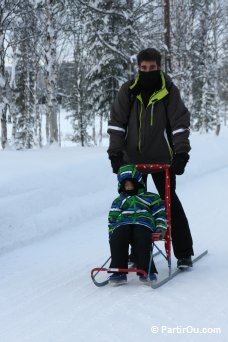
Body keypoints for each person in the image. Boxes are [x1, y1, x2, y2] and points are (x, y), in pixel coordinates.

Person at [107, 48, 194, 269]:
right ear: (138, 68)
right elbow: (117, 124)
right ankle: (136, 252)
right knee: (134, 204)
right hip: (132, 162)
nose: (148, 72)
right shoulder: (128, 90)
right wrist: (115, 154)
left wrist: (182, 153)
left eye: (152, 68)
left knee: (168, 203)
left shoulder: (168, 91)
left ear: (159, 67)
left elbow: (179, 125)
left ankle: (184, 252)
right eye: (143, 68)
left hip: (163, 161)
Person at [108, 164, 167, 285]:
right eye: (125, 183)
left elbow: (160, 214)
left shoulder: (151, 197)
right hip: (123, 223)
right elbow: (112, 219)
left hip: (143, 223)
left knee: (142, 236)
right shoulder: (118, 201)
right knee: (118, 237)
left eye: (131, 182)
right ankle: (119, 272)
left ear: (138, 182)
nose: (128, 186)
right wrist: (112, 233)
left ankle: (147, 270)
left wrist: (161, 227)